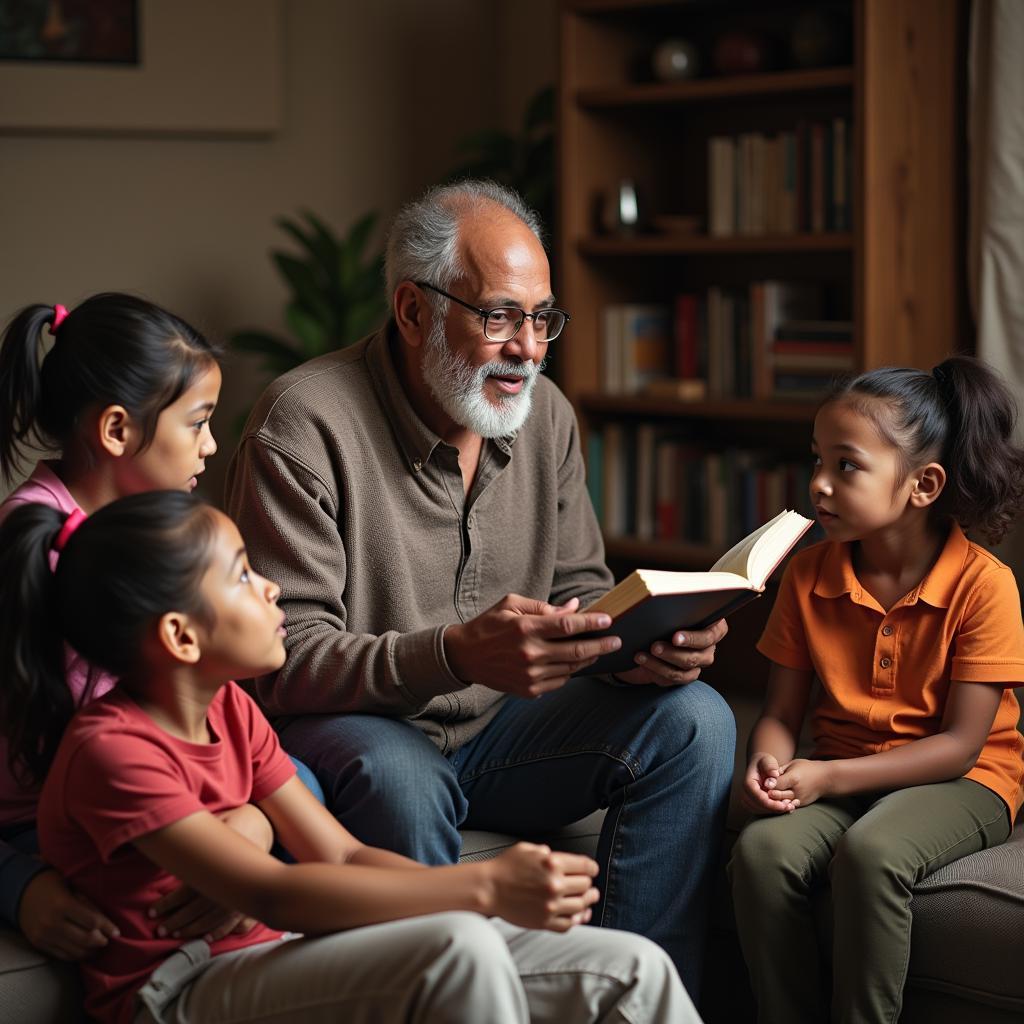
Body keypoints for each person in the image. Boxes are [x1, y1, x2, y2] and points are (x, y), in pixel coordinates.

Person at [225, 179, 735, 994]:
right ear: (412, 310)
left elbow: (579, 587)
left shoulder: (547, 417)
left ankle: (629, 998)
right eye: (499, 316)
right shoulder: (303, 425)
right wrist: (455, 655)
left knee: (694, 722)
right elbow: (277, 663)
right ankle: (455, 1002)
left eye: (542, 319)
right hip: (360, 729)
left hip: (504, 733)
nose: (529, 347)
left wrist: (641, 645)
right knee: (401, 776)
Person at [2, 491, 697, 1024]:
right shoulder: (112, 751)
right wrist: (481, 891)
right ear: (181, 636)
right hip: (177, 988)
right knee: (458, 947)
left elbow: (339, 856)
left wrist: (490, 906)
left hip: (270, 952)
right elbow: (267, 891)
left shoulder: (230, 708)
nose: (270, 587)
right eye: (243, 576)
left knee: (633, 967)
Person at [0, 293, 321, 965]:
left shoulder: (162, 532)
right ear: (117, 431)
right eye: (198, 422)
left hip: (169, 798)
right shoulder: (32, 546)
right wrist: (18, 884)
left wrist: (248, 834)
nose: (211, 445)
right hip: (68, 823)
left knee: (308, 785)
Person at [728, 356, 1024, 1024]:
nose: (819, 486)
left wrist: (827, 778)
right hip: (841, 768)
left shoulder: (984, 586)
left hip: (966, 781)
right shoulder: (807, 575)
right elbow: (779, 712)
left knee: (872, 852)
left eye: (846, 466)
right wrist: (767, 763)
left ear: (923, 485)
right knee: (762, 853)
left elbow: (959, 747)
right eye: (816, 461)